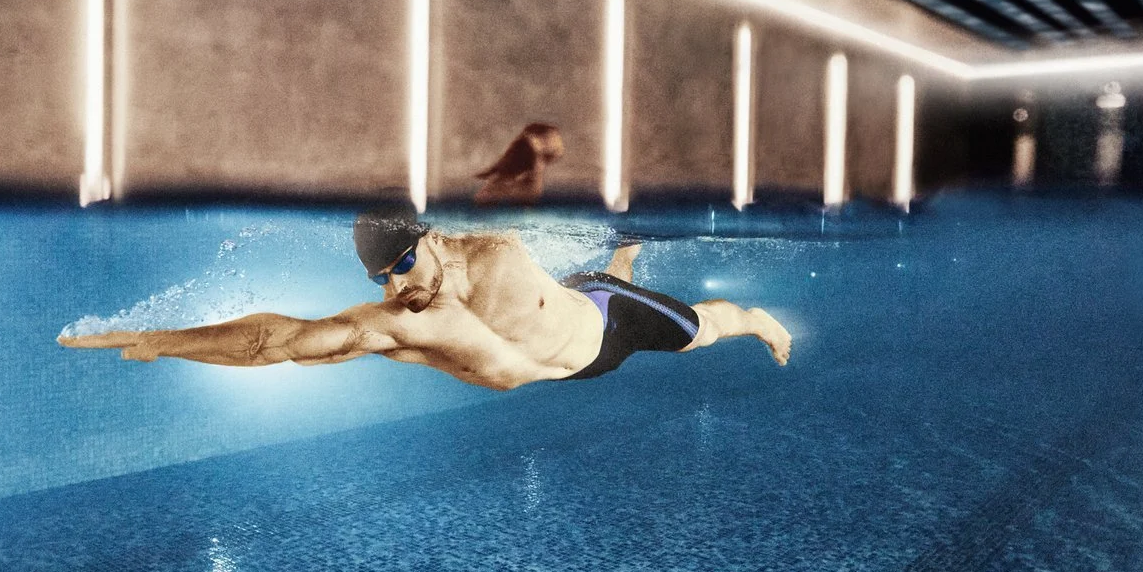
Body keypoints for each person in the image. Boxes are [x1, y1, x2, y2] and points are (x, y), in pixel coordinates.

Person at [59, 209, 791, 391]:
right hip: (558, 357)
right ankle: (624, 254)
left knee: (708, 329)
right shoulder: (404, 318)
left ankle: (751, 316)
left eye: (403, 263)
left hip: (603, 324)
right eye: (382, 279)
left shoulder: (497, 245)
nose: (396, 287)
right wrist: (164, 340)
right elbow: (275, 341)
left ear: (434, 237)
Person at [474, 122, 564, 205]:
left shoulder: (534, 170)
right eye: (552, 137)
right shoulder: (510, 181)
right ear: (535, 140)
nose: (559, 144)